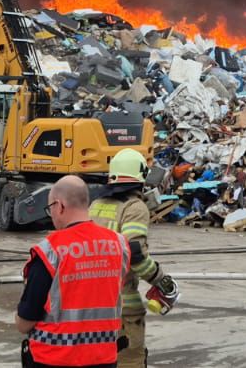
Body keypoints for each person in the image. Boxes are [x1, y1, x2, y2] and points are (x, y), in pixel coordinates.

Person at [16, 176, 129, 368]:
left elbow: (25, 322)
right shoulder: (119, 245)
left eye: (50, 208)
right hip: (103, 359)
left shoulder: (50, 251)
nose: (51, 215)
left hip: (53, 359)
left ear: (59, 206)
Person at [91, 149, 179, 368]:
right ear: (140, 178)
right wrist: (161, 280)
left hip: (91, 305)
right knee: (129, 361)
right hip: (123, 309)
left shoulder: (96, 205)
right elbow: (134, 252)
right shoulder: (134, 207)